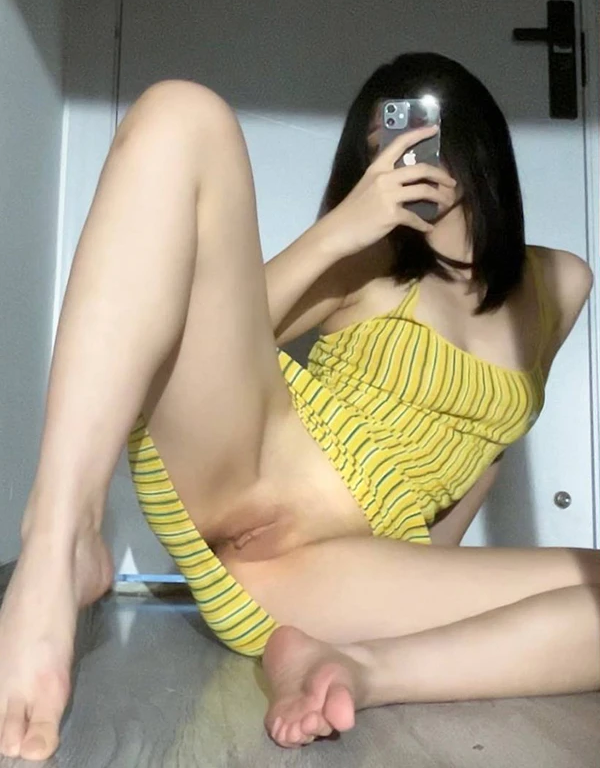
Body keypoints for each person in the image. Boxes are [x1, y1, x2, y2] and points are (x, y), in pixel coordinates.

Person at [0, 52, 597, 760]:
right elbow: (205, 322)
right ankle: (60, 538)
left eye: (422, 135)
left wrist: (422, 592)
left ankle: (358, 669)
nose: (402, 158)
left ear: (476, 144)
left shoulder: (561, 282)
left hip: (339, 573)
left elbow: (483, 457)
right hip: (253, 461)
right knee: (180, 112)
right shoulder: (366, 260)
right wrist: (343, 229)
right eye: (383, 142)